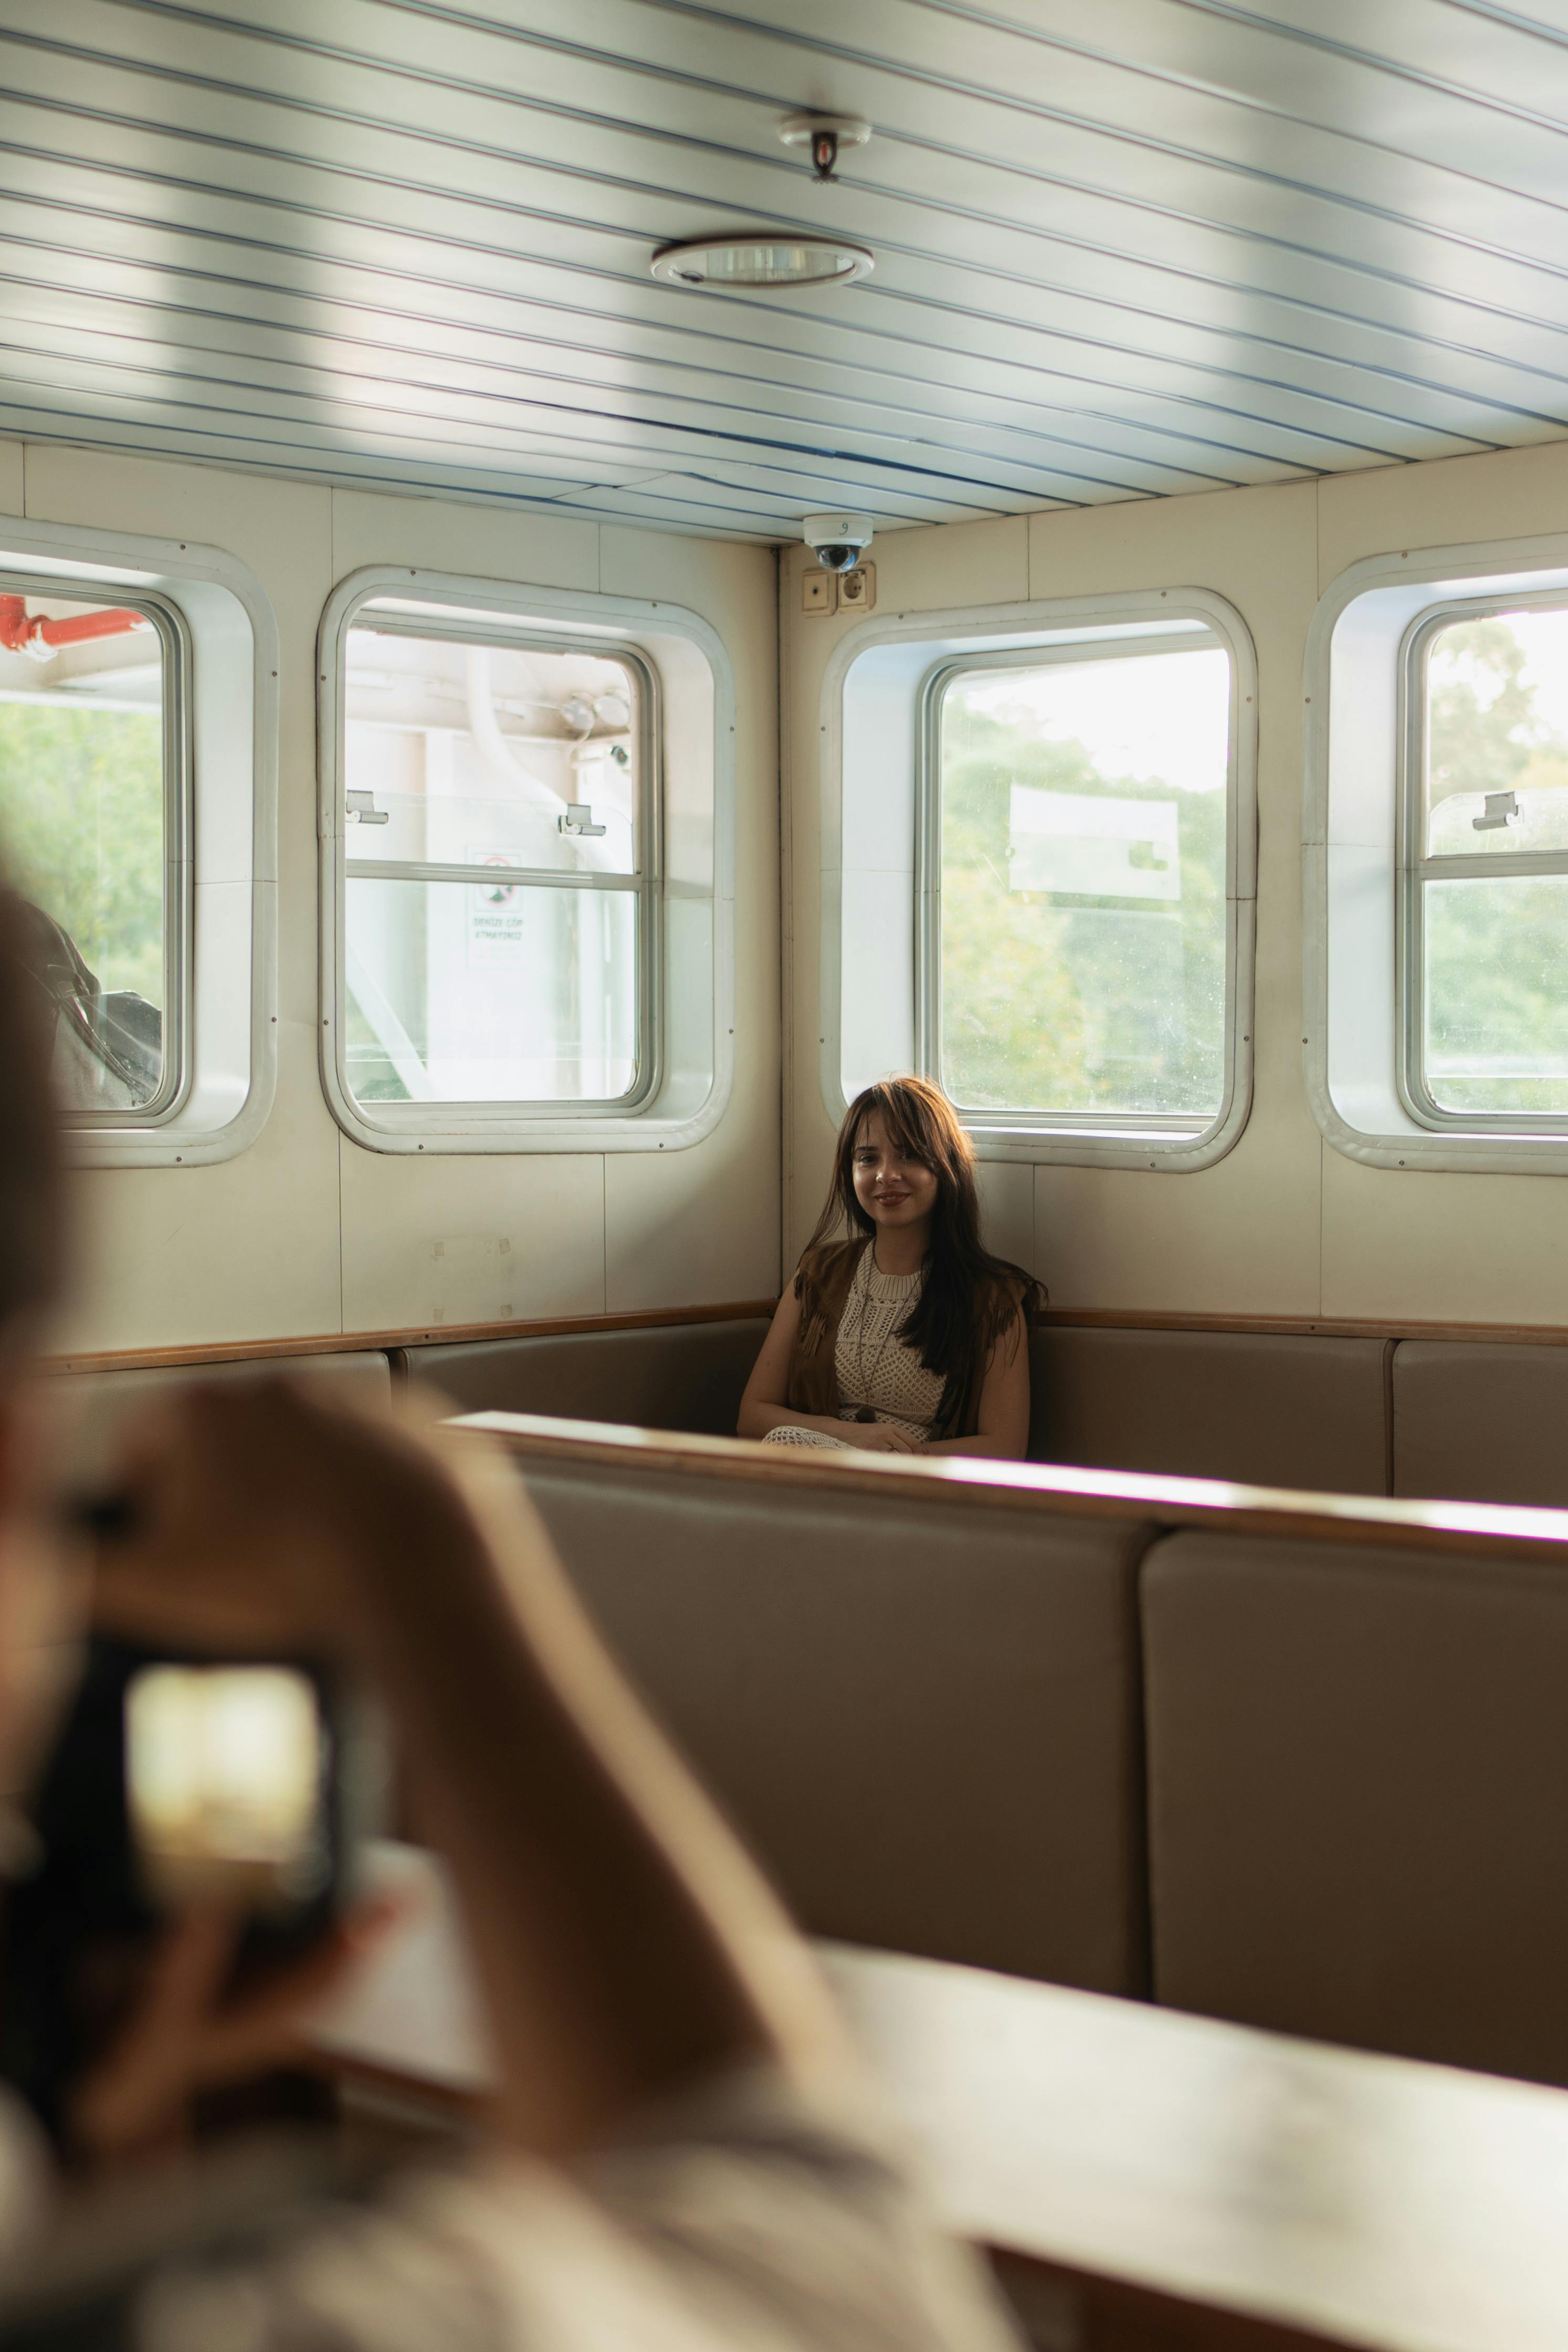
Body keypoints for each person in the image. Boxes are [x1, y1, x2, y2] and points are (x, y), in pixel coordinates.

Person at [0, 887, 1023, 2349]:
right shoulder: (314, 2306)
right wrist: (430, 1561)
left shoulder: (985, 1303)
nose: (876, 1176)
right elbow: (833, 2280)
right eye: (861, 1156)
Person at [738, 1078, 1044, 1460]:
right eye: (868, 1159)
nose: (886, 1175)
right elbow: (752, 1417)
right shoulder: (819, 1271)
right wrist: (848, 1437)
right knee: (784, 1442)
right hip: (818, 1472)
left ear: (944, 1164)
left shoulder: (994, 1294)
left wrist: (896, 1460)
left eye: (908, 1156)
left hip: (923, 1488)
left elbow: (1004, 1447)